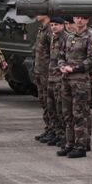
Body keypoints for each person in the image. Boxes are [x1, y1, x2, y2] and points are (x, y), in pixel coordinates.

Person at [57, 15, 92, 158]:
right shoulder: (68, 38)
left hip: (80, 81)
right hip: (67, 80)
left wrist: (75, 69)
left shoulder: (90, 38)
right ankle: (70, 143)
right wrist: (62, 66)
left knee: (79, 113)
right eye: (77, 18)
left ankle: (81, 145)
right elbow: (61, 55)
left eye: (83, 18)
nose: (80, 21)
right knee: (67, 113)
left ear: (87, 21)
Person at [41, 17, 68, 146]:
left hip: (60, 79)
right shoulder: (53, 38)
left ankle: (63, 135)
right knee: (52, 107)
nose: (53, 27)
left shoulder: (65, 38)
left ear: (63, 25)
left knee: (61, 108)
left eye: (56, 24)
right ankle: (57, 133)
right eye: (52, 25)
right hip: (51, 77)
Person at [32, 15, 53, 141]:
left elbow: (54, 52)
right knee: (44, 101)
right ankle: (49, 128)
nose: (36, 15)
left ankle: (54, 129)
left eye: (39, 12)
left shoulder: (50, 29)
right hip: (40, 71)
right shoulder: (42, 29)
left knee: (50, 102)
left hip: (48, 72)